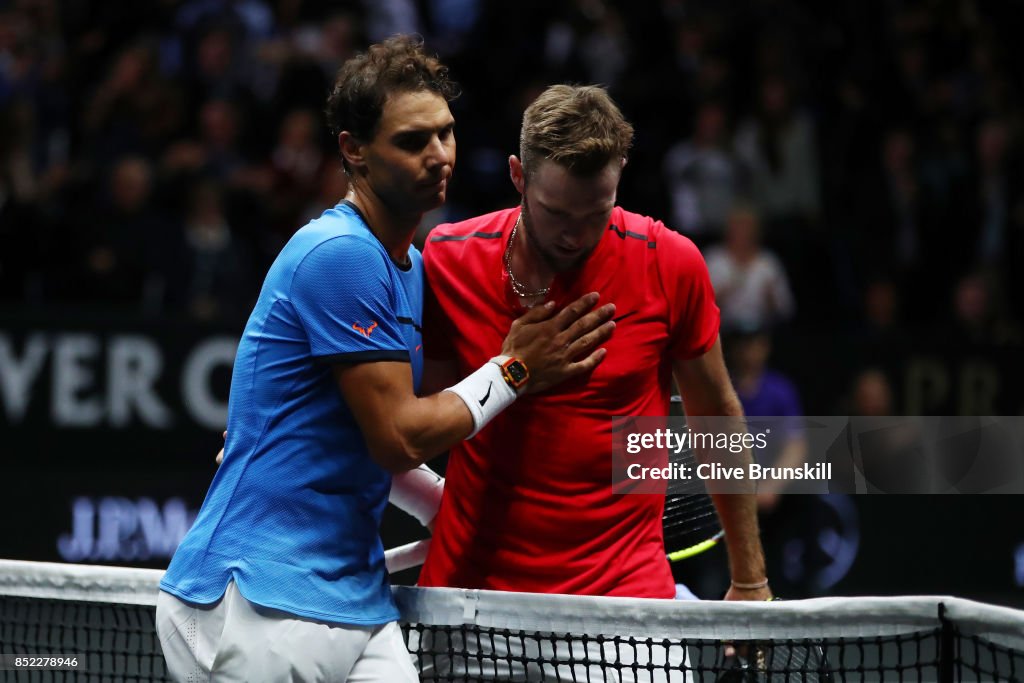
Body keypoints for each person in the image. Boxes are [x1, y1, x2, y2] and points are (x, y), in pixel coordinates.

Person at [156, 37, 615, 683]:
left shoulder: (407, 268)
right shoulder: (339, 254)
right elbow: (398, 435)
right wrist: (513, 371)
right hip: (258, 595)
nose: (439, 156)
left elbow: (367, 440)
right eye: (411, 141)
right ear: (354, 151)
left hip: (354, 598)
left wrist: (445, 506)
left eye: (446, 134)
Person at [411, 83, 770, 681]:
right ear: (518, 175)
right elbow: (423, 426)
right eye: (556, 213)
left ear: (620, 175)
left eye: (596, 211)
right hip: (470, 609)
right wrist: (514, 370)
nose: (575, 235)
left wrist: (751, 581)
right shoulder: (448, 259)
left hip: (626, 617)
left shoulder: (669, 262)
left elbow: (718, 418)